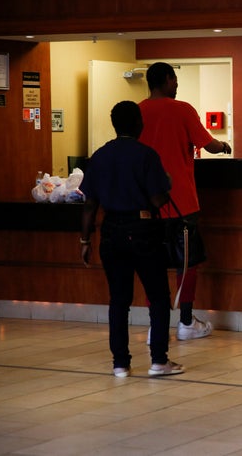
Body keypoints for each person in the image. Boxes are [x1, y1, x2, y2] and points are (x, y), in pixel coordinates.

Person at [79, 100, 184, 377]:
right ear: (139, 123)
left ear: (114, 125)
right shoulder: (146, 155)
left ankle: (120, 364)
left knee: (119, 300)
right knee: (158, 297)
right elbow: (158, 198)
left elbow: (90, 204)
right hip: (143, 229)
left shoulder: (99, 156)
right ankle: (159, 360)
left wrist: (85, 240)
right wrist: (168, 183)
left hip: (111, 231)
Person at [139, 62, 232, 341]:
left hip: (148, 205)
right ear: (167, 80)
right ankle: (186, 322)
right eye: (175, 80)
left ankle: (156, 324)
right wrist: (224, 146)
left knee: (151, 264)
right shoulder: (183, 110)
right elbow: (209, 144)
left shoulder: (138, 111)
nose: (177, 85)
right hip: (182, 204)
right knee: (187, 263)